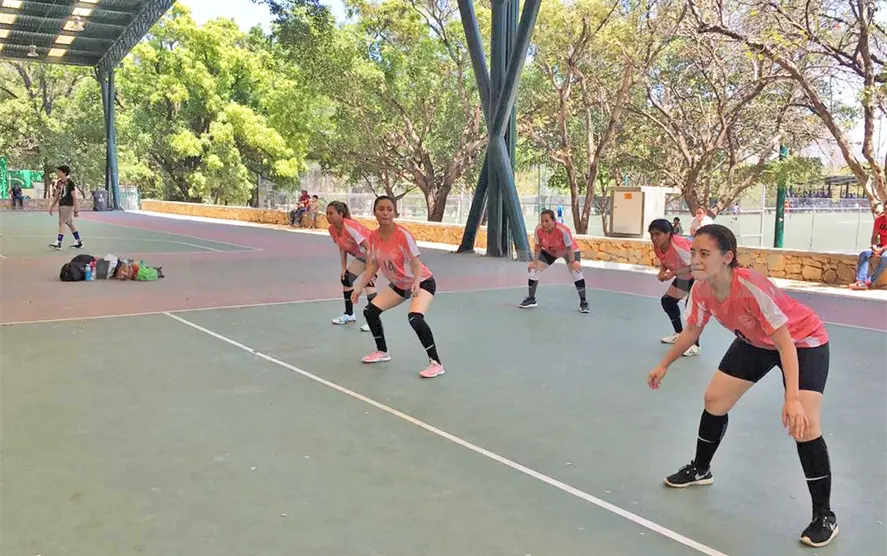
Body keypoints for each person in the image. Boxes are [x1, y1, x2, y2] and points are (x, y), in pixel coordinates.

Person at [647, 224, 838, 548]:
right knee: (714, 400)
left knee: (804, 425)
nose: (695, 259)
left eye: (704, 253)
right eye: (693, 252)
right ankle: (701, 469)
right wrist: (664, 364)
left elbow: (785, 342)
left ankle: (824, 515)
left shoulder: (750, 286)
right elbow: (692, 330)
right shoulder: (702, 289)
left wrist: (792, 398)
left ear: (727, 257)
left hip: (802, 342)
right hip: (755, 342)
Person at [351, 196, 444, 379]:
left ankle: (436, 363)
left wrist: (416, 281)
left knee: (415, 318)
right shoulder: (373, 237)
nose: (385, 213)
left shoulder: (403, 235)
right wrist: (359, 285)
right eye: (381, 209)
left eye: (389, 209)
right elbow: (373, 265)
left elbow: (415, 262)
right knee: (370, 311)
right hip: (400, 285)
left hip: (422, 282)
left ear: (394, 212)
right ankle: (382, 352)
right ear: (374, 212)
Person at [519, 209, 589, 313]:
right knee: (534, 270)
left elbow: (569, 248)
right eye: (542, 221)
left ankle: (583, 303)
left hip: (568, 252)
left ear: (554, 221)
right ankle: (531, 299)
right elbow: (538, 247)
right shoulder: (538, 230)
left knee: (576, 272)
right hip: (550, 252)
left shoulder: (563, 231)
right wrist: (534, 262)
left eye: (547, 221)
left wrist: (573, 262)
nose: (544, 224)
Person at [648, 218, 700, 356]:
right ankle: (679, 333)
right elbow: (664, 259)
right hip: (685, 276)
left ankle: (695, 345)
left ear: (668, 234)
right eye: (651, 234)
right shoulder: (658, 246)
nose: (654, 238)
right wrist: (662, 271)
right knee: (668, 301)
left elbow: (695, 266)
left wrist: (672, 274)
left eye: (658, 234)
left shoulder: (679, 245)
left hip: (699, 276)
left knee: (692, 309)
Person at [326, 201, 375, 332]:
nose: (328, 216)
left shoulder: (350, 226)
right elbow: (342, 247)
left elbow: (368, 247)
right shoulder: (332, 229)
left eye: (331, 213)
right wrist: (343, 268)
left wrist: (370, 271)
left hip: (376, 254)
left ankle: (373, 321)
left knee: (369, 283)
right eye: (327, 213)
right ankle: (349, 315)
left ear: (341, 214)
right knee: (346, 279)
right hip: (363, 256)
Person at [850, 202, 886, 290]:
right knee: (864, 254)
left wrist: (882, 249)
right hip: (880, 246)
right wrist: (874, 247)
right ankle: (861, 282)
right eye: (886, 209)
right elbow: (874, 237)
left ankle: (869, 282)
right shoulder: (879, 220)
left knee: (885, 257)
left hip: (884, 248)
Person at [48, 165, 83, 250]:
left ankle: (58, 242)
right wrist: (52, 206)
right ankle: (78, 241)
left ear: (64, 173)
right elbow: (57, 196)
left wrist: (76, 209)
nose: (58, 173)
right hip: (61, 205)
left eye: (59, 172)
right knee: (69, 223)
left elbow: (74, 196)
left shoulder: (70, 183)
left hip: (67, 205)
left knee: (62, 222)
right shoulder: (59, 183)